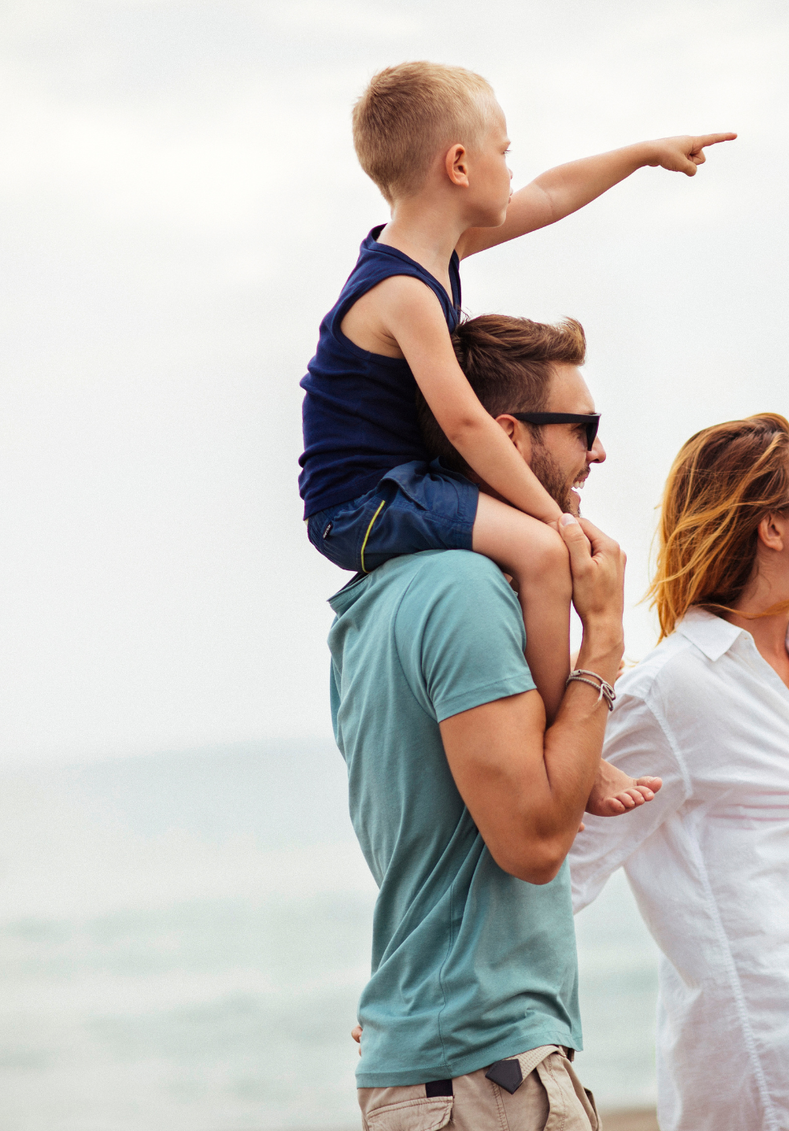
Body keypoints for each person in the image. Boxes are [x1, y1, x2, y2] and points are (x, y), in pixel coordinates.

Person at [299, 60, 734, 721]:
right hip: (361, 504)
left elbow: (552, 194)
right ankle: (566, 736)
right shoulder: (405, 291)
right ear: (459, 165)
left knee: (552, 545)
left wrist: (646, 153)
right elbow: (469, 426)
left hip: (402, 482)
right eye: (503, 151)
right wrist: (553, 519)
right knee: (541, 550)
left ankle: (559, 714)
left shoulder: (438, 253)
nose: (512, 167)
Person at [330, 314, 662, 1131]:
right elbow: (536, 840)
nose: (600, 452)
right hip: (484, 1070)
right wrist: (607, 641)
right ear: (508, 435)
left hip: (454, 1060)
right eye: (583, 428)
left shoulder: (377, 601)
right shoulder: (465, 594)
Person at [568, 413, 789, 1131]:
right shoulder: (676, 688)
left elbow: (784, 830)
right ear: (770, 526)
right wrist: (436, 988)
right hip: (760, 1059)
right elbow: (561, 857)